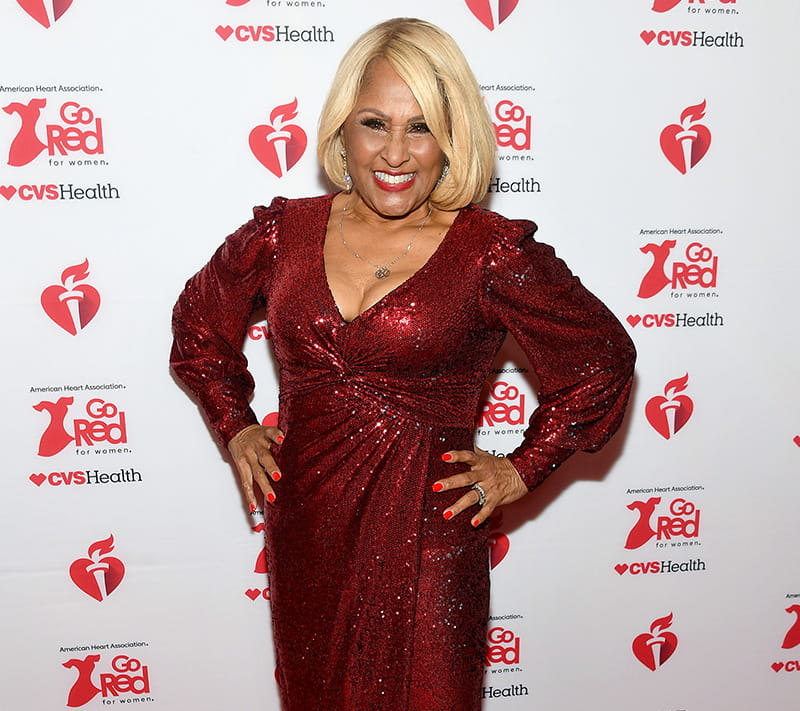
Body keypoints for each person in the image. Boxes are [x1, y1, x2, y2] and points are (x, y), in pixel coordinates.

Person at [170, 17, 635, 711]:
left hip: (429, 548)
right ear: (341, 132)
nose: (395, 151)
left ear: (452, 138)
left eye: (420, 126)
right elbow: (199, 324)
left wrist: (522, 466)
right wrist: (235, 423)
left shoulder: (490, 252)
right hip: (310, 535)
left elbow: (602, 359)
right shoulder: (282, 233)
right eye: (373, 123)